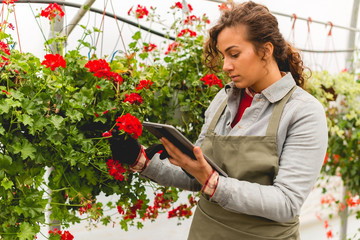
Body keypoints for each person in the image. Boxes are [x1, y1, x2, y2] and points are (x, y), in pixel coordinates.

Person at [109, 1, 328, 239]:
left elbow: (287, 202)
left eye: (234, 54)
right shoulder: (223, 99)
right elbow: (197, 177)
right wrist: (140, 159)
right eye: (223, 55)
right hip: (206, 231)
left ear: (266, 51)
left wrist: (212, 182)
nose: (225, 66)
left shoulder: (303, 112)